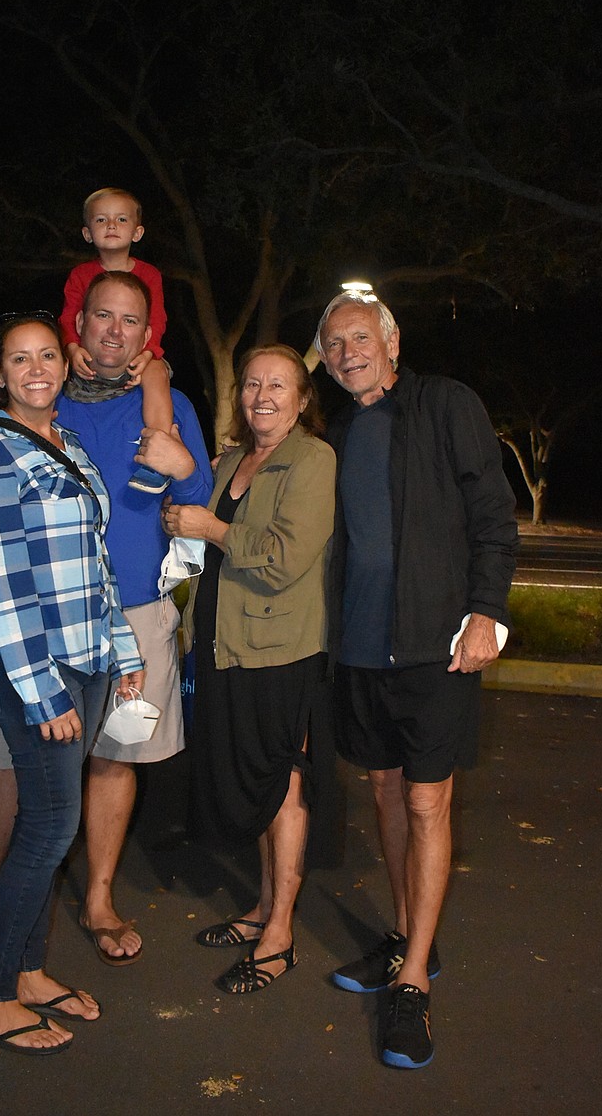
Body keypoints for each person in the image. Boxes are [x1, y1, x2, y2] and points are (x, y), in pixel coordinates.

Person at [0, 277, 213, 971]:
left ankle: (95, 900)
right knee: (6, 762)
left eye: (132, 320)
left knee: (113, 759)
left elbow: (196, 499)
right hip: (37, 625)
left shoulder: (170, 402)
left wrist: (180, 459)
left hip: (128, 615)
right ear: (80, 326)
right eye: (103, 315)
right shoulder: (42, 401)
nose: (116, 330)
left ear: (146, 333)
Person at [314, 291, 517, 1069]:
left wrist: (484, 612)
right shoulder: (338, 430)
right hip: (360, 651)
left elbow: (492, 514)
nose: (347, 352)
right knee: (388, 794)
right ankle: (410, 942)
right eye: (333, 344)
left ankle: (413, 987)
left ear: (391, 341)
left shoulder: (443, 403)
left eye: (359, 337)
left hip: (436, 647)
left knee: (429, 802)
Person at [0, 311, 145, 1055]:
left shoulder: (69, 448)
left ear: (63, 364)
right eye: (17, 360)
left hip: (87, 656)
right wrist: (41, 690)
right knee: (50, 828)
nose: (36, 369)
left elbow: (97, 567)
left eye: (45, 356)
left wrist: (122, 648)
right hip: (35, 665)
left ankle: (29, 972)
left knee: (48, 827)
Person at [163, 344, 336, 994]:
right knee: (257, 786)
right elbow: (193, 540)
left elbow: (285, 558)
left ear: (300, 398)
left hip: (283, 651)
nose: (262, 395)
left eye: (278, 385)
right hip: (225, 646)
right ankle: (263, 905)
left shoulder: (313, 460)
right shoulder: (232, 461)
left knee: (283, 785)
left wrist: (210, 527)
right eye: (253, 384)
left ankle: (281, 933)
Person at [59, 187, 174, 494]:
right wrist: (71, 347)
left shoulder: (149, 275)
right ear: (87, 233)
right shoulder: (80, 275)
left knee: (157, 373)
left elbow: (157, 319)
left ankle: (156, 455)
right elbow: (70, 316)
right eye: (101, 219)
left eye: (120, 219)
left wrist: (149, 354)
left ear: (137, 232)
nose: (111, 225)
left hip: (140, 356)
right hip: (89, 360)